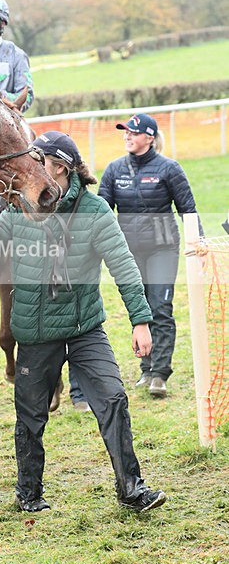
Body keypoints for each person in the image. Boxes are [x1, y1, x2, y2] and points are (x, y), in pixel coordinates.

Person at [0, 131, 166, 514]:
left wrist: (140, 320)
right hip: (36, 334)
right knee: (30, 416)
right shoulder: (18, 210)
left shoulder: (95, 211)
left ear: (61, 168)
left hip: (85, 328)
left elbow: (123, 266)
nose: (31, 170)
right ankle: (29, 493)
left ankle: (132, 489)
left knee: (113, 400)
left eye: (41, 163)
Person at [98, 113, 201, 399]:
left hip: (162, 249)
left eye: (133, 132)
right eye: (125, 132)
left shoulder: (170, 169)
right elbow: (101, 213)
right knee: (140, 310)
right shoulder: (113, 170)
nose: (127, 136)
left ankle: (160, 373)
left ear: (149, 137)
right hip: (128, 253)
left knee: (160, 308)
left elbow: (188, 210)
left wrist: (198, 244)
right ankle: (146, 367)